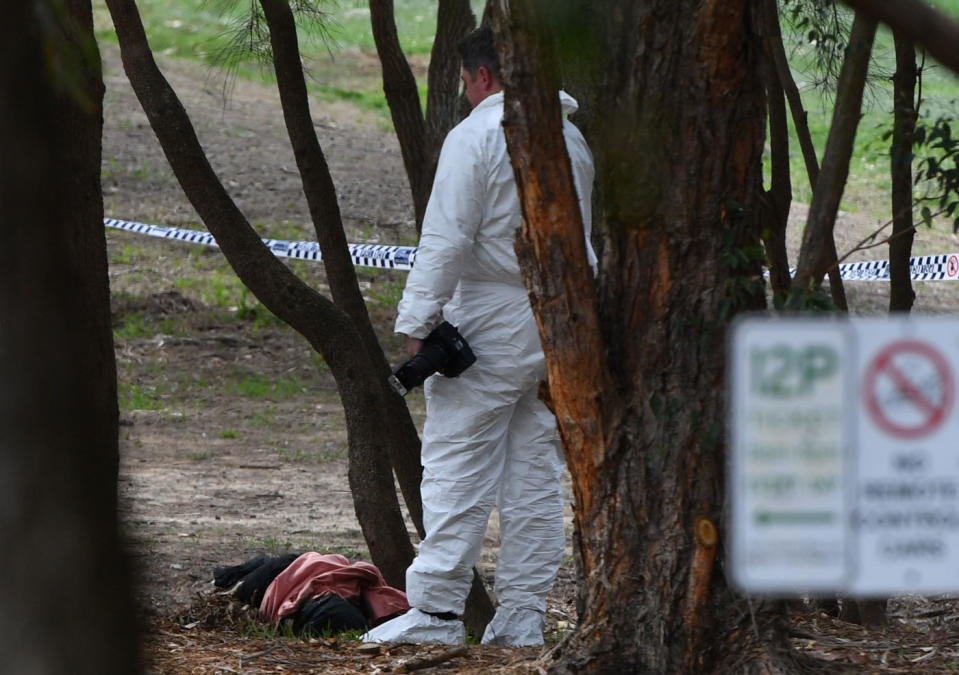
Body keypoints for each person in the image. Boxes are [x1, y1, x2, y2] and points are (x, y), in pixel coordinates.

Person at [361, 26, 596, 648]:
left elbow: (447, 239)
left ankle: (436, 614)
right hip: (556, 324)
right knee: (534, 474)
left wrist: (417, 325)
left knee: (457, 464)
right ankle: (522, 617)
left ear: (482, 77)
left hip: (486, 320)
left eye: (466, 83)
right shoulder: (572, 140)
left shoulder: (475, 137)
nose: (466, 94)